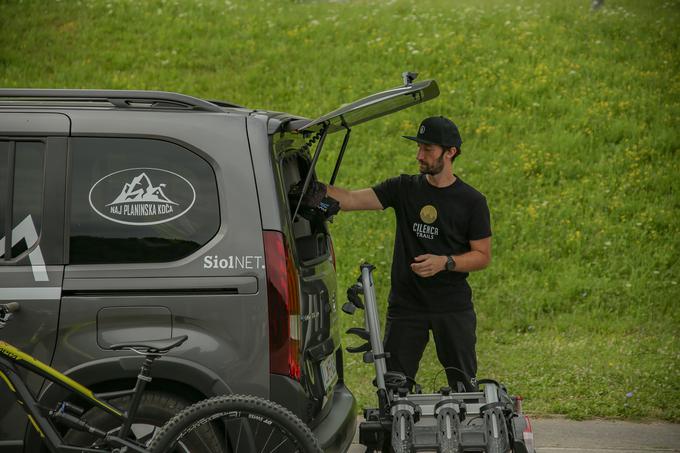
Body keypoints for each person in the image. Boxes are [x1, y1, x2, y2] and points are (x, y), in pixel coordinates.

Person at [300, 116, 492, 391]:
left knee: (464, 387)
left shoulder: (472, 201)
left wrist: (445, 262)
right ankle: (396, 432)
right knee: (394, 388)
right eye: (419, 148)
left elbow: (482, 256)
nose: (419, 155)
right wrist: (308, 188)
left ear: (450, 152)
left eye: (428, 149)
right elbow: (353, 199)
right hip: (406, 306)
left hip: (452, 307)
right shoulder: (404, 188)